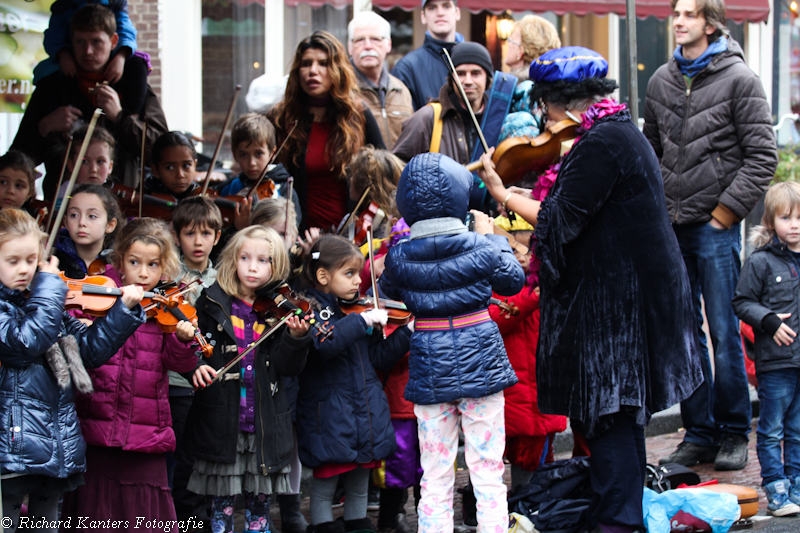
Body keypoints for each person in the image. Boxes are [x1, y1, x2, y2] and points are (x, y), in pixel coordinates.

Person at [477, 46, 702, 533]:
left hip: (620, 308)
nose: (545, 118)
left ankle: (617, 523)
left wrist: (503, 196)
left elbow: (558, 221)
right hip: (626, 300)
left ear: (555, 102)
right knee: (615, 416)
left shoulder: (603, 144)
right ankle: (616, 516)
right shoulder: (613, 134)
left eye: (544, 106)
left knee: (612, 413)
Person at [644, 0, 777, 471]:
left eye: (688, 14)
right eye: (675, 14)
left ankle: (734, 432)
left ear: (711, 22)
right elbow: (652, 153)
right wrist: (657, 212)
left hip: (714, 229)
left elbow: (763, 156)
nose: (678, 22)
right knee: (684, 336)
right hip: (671, 229)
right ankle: (698, 432)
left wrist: (724, 214)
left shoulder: (740, 80)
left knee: (723, 332)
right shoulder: (660, 79)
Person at [378, 152, 525, 533]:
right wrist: (493, 237)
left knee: (436, 472)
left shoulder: (399, 256)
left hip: (429, 361)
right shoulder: (483, 245)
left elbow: (391, 290)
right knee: (488, 470)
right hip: (482, 360)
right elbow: (512, 282)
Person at [0, 207, 145, 532]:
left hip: (53, 440)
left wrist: (123, 311)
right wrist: (49, 288)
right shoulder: (34, 303)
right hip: (11, 444)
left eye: (30, 260)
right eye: (13, 261)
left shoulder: (42, 302)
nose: (25, 270)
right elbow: (25, 343)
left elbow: (89, 351)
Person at [60, 218, 199, 533]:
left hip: (145, 432)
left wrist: (182, 340)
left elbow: (177, 363)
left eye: (153, 265)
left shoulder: (167, 305)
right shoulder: (99, 295)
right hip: (97, 424)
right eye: (135, 262)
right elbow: (86, 351)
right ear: (120, 258)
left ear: (164, 266)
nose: (144, 273)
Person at [186, 225, 313, 533]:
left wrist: (297, 337)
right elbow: (195, 346)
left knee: (259, 508)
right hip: (223, 421)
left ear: (277, 266)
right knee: (222, 507)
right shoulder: (212, 302)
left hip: (263, 424)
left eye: (263, 260)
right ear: (233, 259)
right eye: (245, 258)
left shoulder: (281, 310)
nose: (253, 267)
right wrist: (194, 362)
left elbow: (287, 367)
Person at [297, 234, 412, 533]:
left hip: (364, 410)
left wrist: (407, 332)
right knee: (325, 485)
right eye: (348, 274)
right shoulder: (311, 309)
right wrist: (362, 322)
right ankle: (323, 527)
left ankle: (359, 526)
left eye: (358, 274)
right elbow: (325, 344)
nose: (357, 282)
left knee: (360, 482)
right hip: (329, 417)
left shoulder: (357, 309)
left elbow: (377, 358)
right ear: (323, 276)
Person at [11, 4, 168, 197]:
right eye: (80, 42)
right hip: (62, 207)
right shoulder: (51, 86)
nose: (88, 51)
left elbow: (163, 153)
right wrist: (44, 127)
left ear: (113, 41)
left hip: (122, 204)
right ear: (70, 41)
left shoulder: (134, 84)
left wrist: (121, 118)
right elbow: (15, 161)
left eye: (96, 42)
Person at [270, 31, 386, 232]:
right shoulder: (282, 118)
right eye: (306, 64)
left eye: (323, 63)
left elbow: (385, 175)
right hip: (295, 237)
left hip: (351, 240)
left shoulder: (358, 114)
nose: (313, 71)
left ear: (337, 70)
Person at [732, 182, 800, 516]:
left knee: (798, 427)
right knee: (772, 428)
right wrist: (769, 320)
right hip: (776, 363)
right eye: (787, 217)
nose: (795, 224)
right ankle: (776, 490)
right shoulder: (760, 262)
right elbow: (742, 302)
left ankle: (796, 485)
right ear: (771, 222)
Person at [488, 215, 567, 492]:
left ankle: (534, 501)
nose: (522, 259)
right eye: (512, 251)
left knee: (541, 450)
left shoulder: (546, 282)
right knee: (518, 451)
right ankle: (519, 502)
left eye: (529, 252)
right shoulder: (493, 288)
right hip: (516, 390)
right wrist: (531, 298)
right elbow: (496, 318)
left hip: (541, 383)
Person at [167, 196, 222, 525]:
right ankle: (177, 518)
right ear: (176, 236)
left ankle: (205, 516)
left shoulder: (222, 281)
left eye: (205, 234)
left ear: (217, 236)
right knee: (178, 458)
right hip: (177, 382)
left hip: (212, 379)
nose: (198, 241)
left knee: (205, 455)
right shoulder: (170, 279)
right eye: (189, 234)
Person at [392, 42, 493, 165]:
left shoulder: (498, 117)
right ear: (451, 79)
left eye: (475, 73)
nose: (467, 81)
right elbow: (396, 168)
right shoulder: (426, 118)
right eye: (460, 74)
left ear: (487, 78)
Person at [347, 11, 414, 148]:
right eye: (359, 40)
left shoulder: (401, 90)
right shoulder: (342, 89)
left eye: (375, 39)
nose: (368, 46)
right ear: (349, 47)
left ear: (388, 45)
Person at [35, 0, 139, 85]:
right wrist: (62, 54)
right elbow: (54, 35)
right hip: (72, 54)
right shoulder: (63, 5)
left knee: (138, 64)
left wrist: (121, 56)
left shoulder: (116, 2)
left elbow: (125, 31)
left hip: (108, 54)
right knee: (44, 71)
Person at [391, 0, 464, 110]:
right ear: (423, 16)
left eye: (447, 6)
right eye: (432, 8)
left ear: (457, 13)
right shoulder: (406, 68)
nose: (440, 13)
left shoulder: (476, 61)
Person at [54, 184, 124, 281]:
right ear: (66, 222)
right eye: (74, 215)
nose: (81, 222)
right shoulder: (53, 261)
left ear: (110, 225)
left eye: (92, 216)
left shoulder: (121, 264)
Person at [56, 125, 116, 208]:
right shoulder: (65, 194)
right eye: (84, 161)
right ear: (71, 165)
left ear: (110, 167)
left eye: (100, 161)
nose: (93, 169)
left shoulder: (108, 199)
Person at [144, 131, 201, 201]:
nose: (180, 175)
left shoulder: (200, 194)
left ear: (194, 165)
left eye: (186, 166)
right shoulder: (145, 196)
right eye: (170, 167)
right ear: (156, 170)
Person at [504, 15, 561, 82]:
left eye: (511, 40)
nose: (508, 43)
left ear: (520, 51)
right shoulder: (552, 81)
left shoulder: (512, 86)